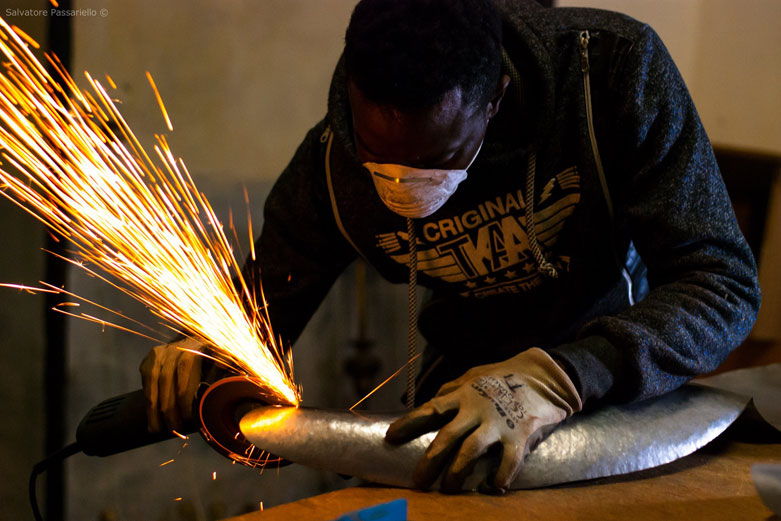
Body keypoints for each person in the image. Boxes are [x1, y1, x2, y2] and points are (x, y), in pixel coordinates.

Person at [140, 0, 761, 494]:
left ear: (495, 101)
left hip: (615, 375)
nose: (401, 180)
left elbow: (724, 288)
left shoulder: (612, 77)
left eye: (434, 158)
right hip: (463, 385)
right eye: (377, 153)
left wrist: (557, 378)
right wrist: (208, 350)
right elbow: (263, 305)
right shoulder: (331, 168)